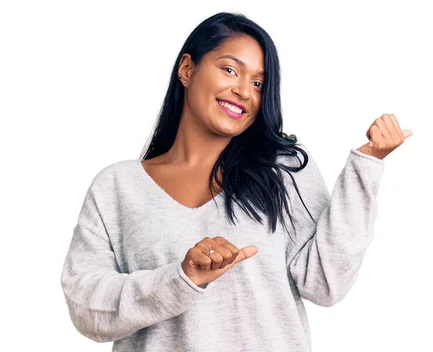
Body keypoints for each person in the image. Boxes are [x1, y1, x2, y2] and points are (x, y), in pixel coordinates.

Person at [60, 11, 412, 352]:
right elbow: (87, 308)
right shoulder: (117, 187)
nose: (244, 91)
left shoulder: (284, 169)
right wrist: (182, 277)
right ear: (187, 69)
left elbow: (325, 283)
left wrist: (367, 166)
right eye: (230, 70)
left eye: (259, 83)